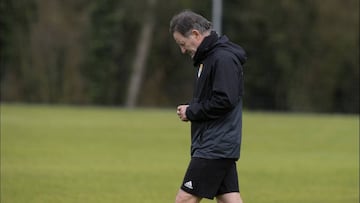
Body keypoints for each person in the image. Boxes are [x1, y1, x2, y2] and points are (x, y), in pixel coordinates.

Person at [170, 10, 247, 203]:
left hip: (215, 146)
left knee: (184, 199)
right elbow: (216, 98)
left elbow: (224, 100)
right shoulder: (210, 59)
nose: (182, 50)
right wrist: (191, 107)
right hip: (216, 143)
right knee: (229, 198)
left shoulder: (223, 59)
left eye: (182, 44)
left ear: (195, 34)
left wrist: (191, 111)